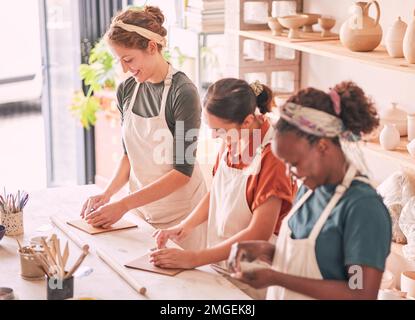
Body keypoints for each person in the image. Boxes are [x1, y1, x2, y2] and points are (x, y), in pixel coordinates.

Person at [228, 81, 392, 300]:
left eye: (293, 163)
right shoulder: (307, 190)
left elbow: (360, 292)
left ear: (322, 146)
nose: (289, 173)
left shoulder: (363, 208)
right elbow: (319, 263)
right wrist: (265, 252)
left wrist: (276, 278)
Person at [80, 6, 207, 250]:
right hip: (140, 215)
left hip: (180, 220)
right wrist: (107, 195)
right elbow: (130, 156)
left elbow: (182, 172)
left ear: (151, 47)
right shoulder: (127, 89)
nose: (125, 69)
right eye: (120, 61)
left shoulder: (183, 93)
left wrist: (123, 204)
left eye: (129, 60)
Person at [151, 79, 296, 284]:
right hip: (222, 265)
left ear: (246, 121)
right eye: (211, 128)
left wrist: (195, 258)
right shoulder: (235, 138)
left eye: (219, 130)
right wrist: (185, 226)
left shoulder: (274, 156)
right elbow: (217, 193)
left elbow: (259, 233)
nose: (214, 136)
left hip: (256, 275)